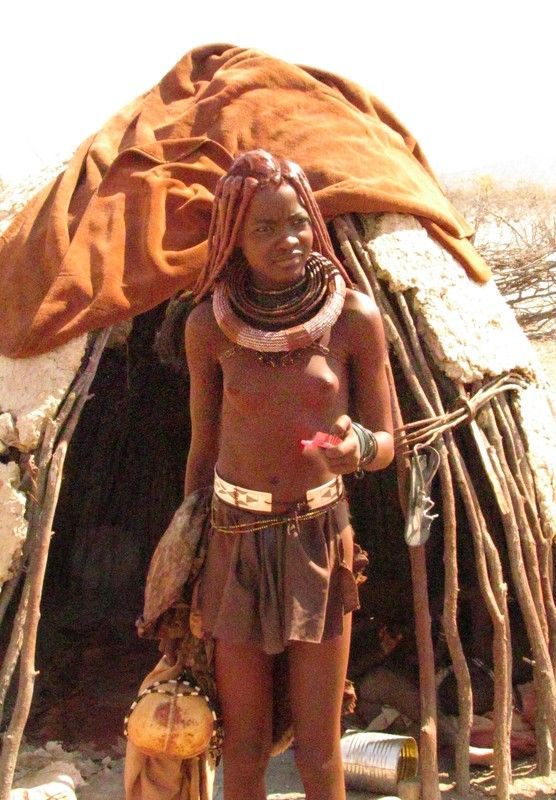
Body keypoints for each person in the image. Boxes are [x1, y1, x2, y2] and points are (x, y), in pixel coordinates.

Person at [184, 149, 394, 800]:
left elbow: (388, 439)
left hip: (317, 542)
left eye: (298, 222)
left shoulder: (353, 318)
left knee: (318, 750)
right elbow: (202, 447)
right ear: (233, 241)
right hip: (234, 539)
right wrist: (187, 552)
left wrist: (356, 449)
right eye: (265, 228)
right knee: (242, 746)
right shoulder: (209, 328)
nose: (290, 239)